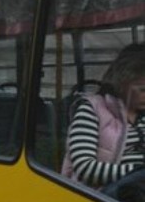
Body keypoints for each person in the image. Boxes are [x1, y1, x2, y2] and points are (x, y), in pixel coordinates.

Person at [62, 44, 145, 191]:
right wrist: (137, 173)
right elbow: (84, 168)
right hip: (101, 199)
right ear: (122, 83)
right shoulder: (92, 110)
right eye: (142, 89)